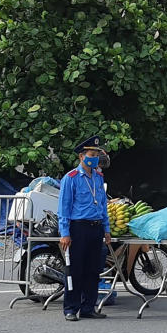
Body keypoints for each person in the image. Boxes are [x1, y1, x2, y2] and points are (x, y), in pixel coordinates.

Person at [57, 135, 112, 321]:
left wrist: (107, 229)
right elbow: (64, 208)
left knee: (93, 270)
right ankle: (71, 308)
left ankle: (88, 307)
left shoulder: (98, 177)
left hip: (96, 228)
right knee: (75, 269)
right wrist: (65, 233)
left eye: (96, 153)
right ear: (81, 156)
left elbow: (103, 205)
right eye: (91, 153)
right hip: (78, 228)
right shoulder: (71, 178)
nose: (94, 157)